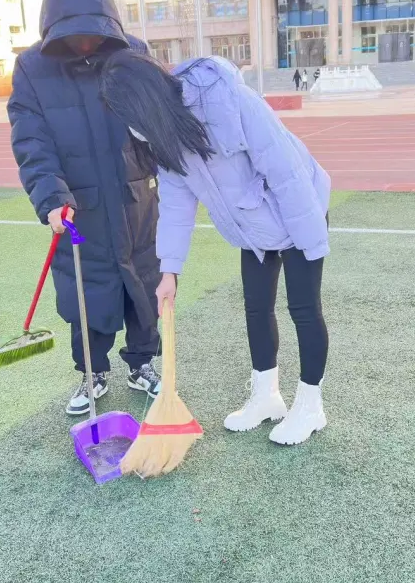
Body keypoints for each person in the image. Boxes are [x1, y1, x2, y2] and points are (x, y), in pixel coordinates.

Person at [98, 51, 332, 446]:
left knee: (304, 310)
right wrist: (169, 271)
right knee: (256, 308)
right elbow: (176, 205)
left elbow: (287, 171)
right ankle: (266, 396)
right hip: (253, 228)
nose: (130, 129)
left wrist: (310, 240)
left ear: (143, 102)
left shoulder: (229, 101)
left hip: (298, 212)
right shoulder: (163, 137)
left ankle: (310, 407)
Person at [8, 0, 163, 417]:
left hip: (136, 202)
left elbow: (159, 120)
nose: (86, 43)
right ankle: (92, 373)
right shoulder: (32, 67)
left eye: (94, 33)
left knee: (144, 287)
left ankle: (142, 363)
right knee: (86, 293)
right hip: (79, 209)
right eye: (75, 35)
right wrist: (51, 197)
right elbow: (31, 139)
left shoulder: (133, 52)